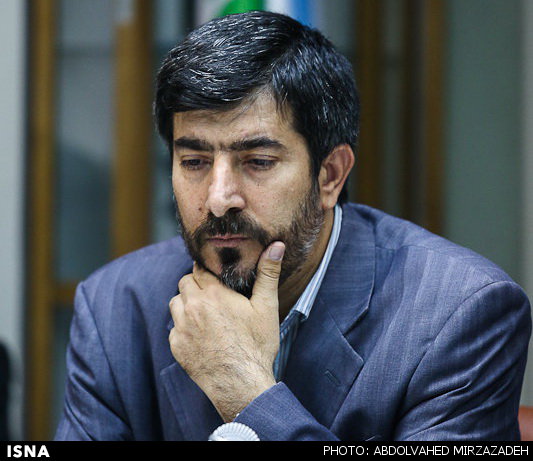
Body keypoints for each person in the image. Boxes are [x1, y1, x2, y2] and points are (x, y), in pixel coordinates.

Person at [55, 11, 531, 441]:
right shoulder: (116, 307)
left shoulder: (457, 313)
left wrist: (246, 392)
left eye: (258, 162)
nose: (219, 199)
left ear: (330, 175)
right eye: (195, 161)